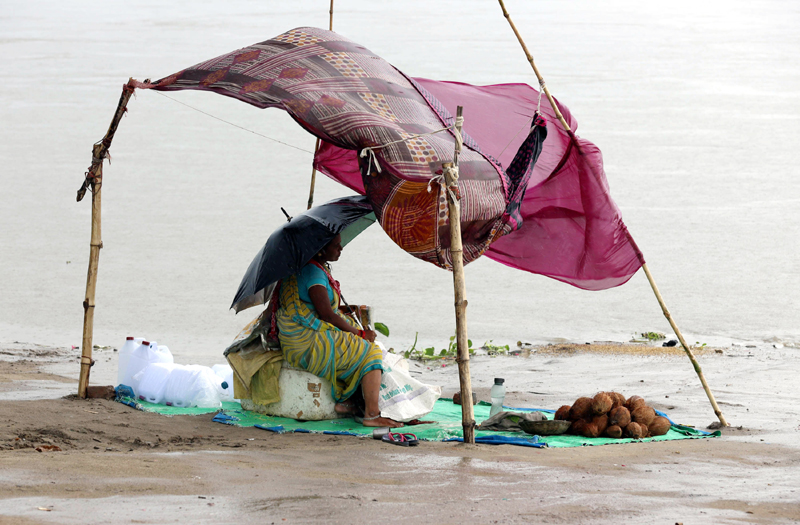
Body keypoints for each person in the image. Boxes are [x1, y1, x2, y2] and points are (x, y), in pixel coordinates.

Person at [275, 234, 401, 428]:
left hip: (293, 341)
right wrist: (360, 334)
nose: (340, 248)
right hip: (308, 343)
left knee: (351, 345)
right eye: (336, 246)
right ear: (320, 250)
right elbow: (326, 314)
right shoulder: (313, 272)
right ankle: (372, 415)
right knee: (370, 351)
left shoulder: (296, 269)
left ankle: (347, 403)